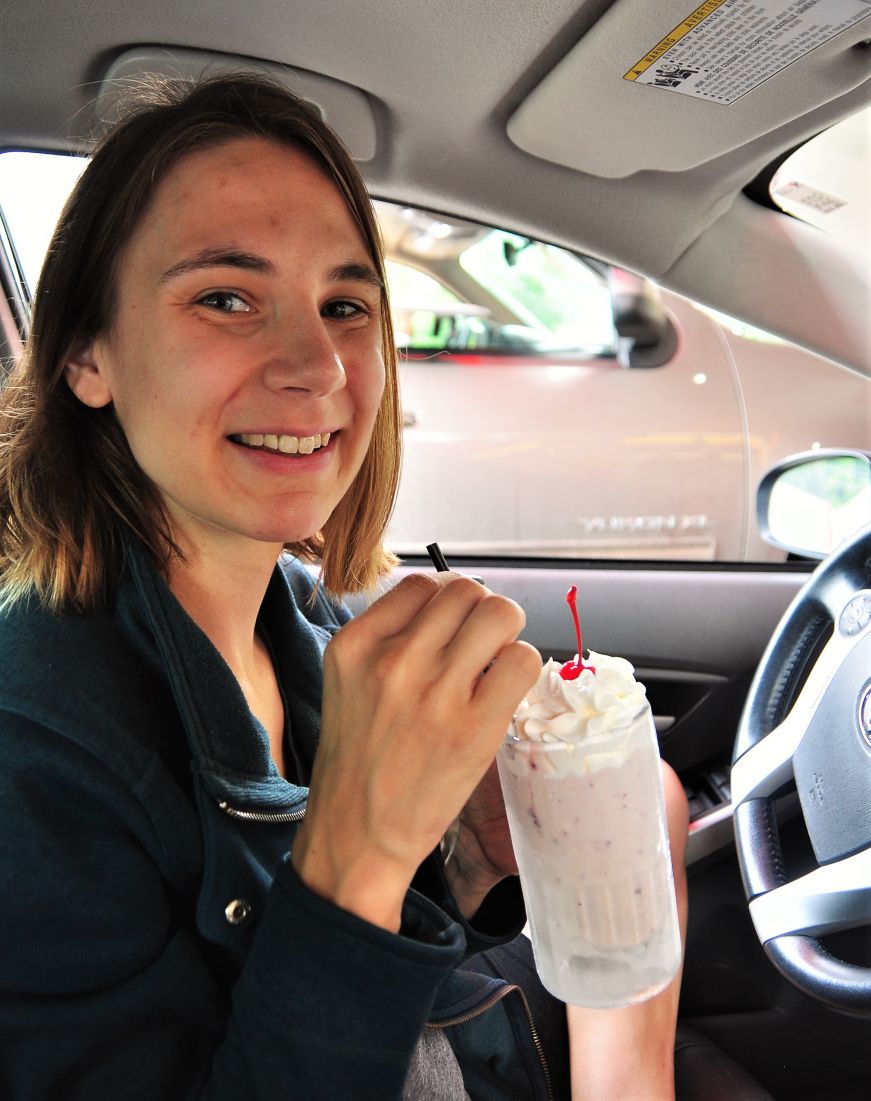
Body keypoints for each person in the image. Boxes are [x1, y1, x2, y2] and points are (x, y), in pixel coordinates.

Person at [0, 73, 693, 1100]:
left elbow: (322, 969)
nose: (318, 363)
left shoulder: (308, 618)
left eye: (344, 303)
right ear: (85, 355)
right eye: (226, 298)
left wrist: (458, 860)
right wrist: (361, 854)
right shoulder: (34, 749)